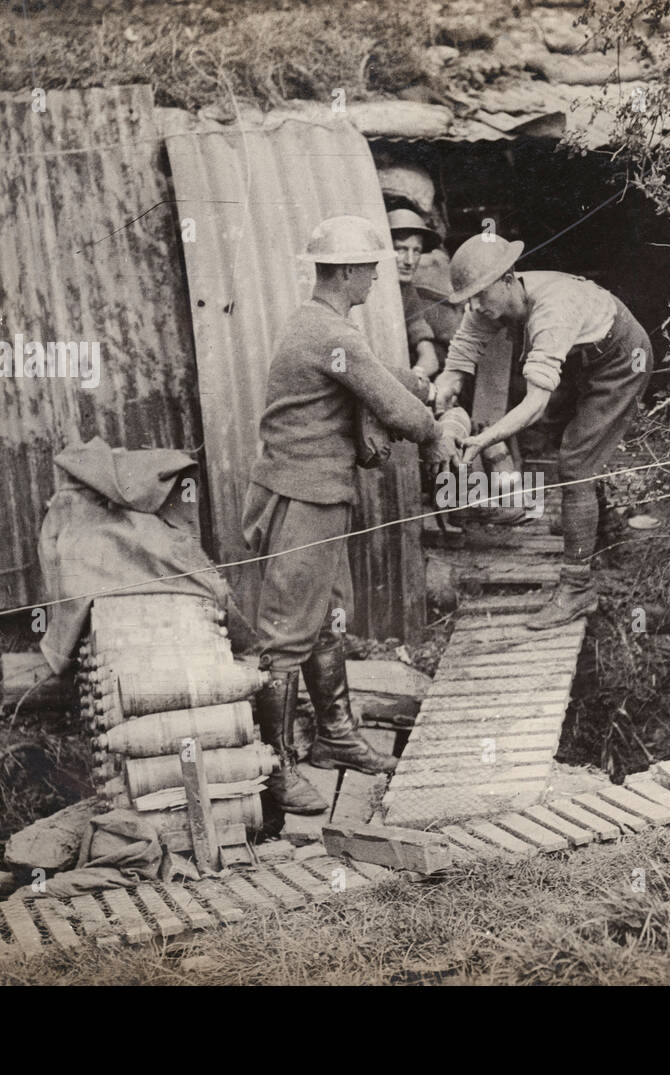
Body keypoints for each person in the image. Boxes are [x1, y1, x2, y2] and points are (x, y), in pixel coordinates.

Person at [244, 215, 458, 824]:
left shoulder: (327, 328)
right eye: (369, 266)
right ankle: (276, 766)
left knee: (327, 618)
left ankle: (335, 734)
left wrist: (422, 382)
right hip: (302, 496)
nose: (375, 276)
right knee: (286, 635)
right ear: (343, 271)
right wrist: (434, 431)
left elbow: (382, 376)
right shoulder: (326, 331)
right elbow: (389, 401)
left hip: (320, 492)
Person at [433, 234, 652, 631]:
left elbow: (535, 406)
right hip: (580, 357)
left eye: (482, 295)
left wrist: (486, 438)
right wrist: (445, 387)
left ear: (507, 279)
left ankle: (577, 589)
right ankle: (592, 528)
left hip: (621, 361)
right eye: (470, 298)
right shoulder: (487, 300)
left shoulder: (553, 309)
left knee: (576, 463)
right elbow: (462, 352)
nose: (477, 306)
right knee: (571, 456)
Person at [388, 207, 460, 395]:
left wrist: (416, 376)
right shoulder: (364, 288)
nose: (410, 261)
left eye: (417, 251)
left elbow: (428, 353)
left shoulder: (407, 292)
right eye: (401, 249)